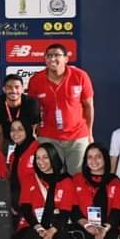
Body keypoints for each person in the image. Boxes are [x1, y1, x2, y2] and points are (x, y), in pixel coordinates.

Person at [26, 43, 94, 174]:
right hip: (49, 136)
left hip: (78, 136)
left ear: (66, 59)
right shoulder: (36, 80)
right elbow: (32, 110)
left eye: (57, 55)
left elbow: (89, 106)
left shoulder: (80, 76)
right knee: (52, 177)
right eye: (49, 56)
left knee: (79, 176)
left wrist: (89, 133)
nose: (52, 59)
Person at [16, 143, 79, 239]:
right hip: (32, 226)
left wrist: (51, 231)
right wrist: (39, 228)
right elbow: (26, 209)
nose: (41, 161)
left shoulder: (66, 181)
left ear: (53, 157)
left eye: (45, 157)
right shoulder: (29, 179)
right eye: (38, 158)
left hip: (57, 227)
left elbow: (65, 212)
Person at [73, 143, 120, 239]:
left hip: (108, 227)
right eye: (90, 157)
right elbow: (73, 208)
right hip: (83, 226)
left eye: (98, 156)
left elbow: (117, 211)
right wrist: (87, 225)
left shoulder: (114, 181)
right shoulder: (77, 179)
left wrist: (103, 230)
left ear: (105, 159)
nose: (94, 160)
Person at [0, 74, 41, 148]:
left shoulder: (31, 103)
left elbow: (33, 132)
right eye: (9, 87)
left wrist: (28, 151)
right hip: (5, 137)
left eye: (17, 87)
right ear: (4, 89)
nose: (13, 90)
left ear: (22, 89)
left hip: (25, 137)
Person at [6, 118, 40, 222]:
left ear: (27, 130)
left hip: (35, 206)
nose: (15, 133)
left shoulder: (38, 149)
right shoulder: (13, 155)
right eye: (12, 129)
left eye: (20, 129)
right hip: (18, 206)